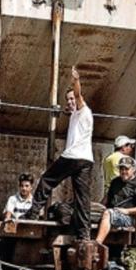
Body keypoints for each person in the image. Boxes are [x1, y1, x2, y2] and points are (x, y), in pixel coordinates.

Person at [22, 67, 94, 242]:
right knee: (82, 198)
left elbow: (78, 97)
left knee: (47, 180)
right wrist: (65, 110)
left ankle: (32, 213)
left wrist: (76, 81)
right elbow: (71, 108)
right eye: (67, 100)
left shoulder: (82, 110)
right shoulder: (79, 115)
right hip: (86, 159)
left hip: (73, 156)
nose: (69, 102)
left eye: (70, 99)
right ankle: (83, 234)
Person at [96, 156, 136, 244]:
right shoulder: (115, 182)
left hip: (129, 218)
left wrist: (126, 211)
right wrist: (96, 207)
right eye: (121, 169)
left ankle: (97, 244)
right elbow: (106, 200)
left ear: (133, 169)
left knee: (108, 213)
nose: (123, 171)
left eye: (126, 169)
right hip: (113, 212)